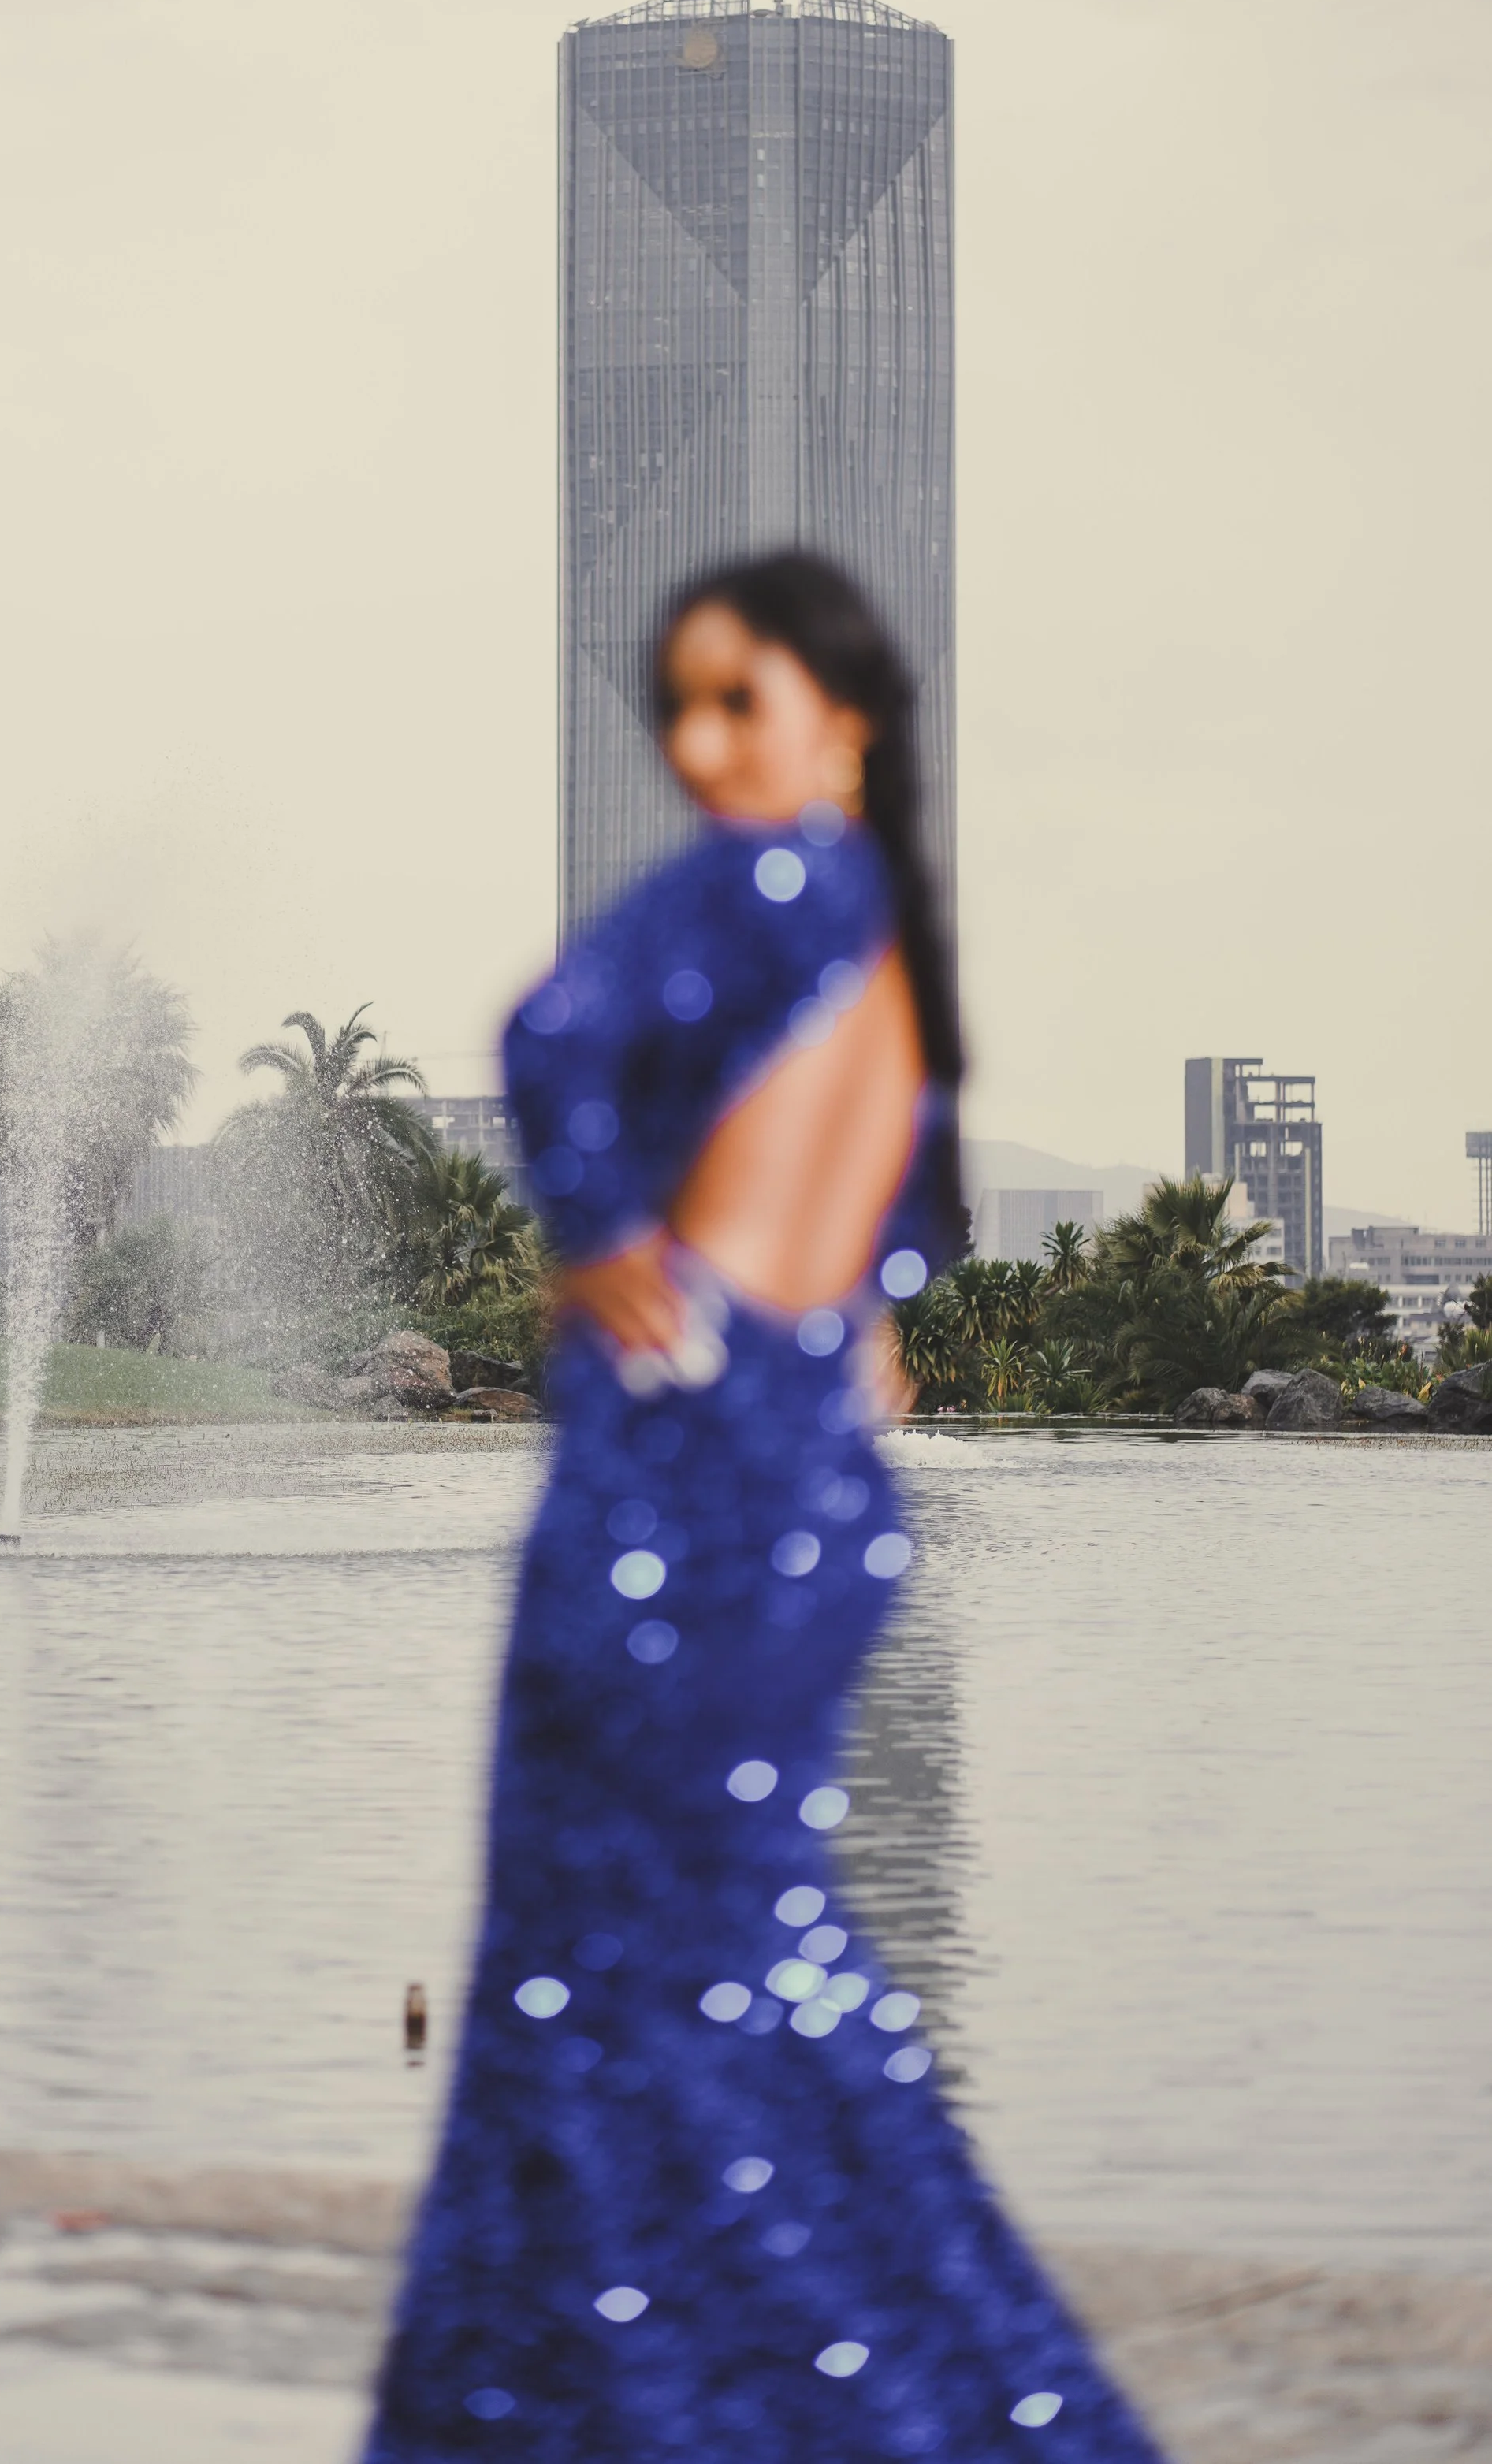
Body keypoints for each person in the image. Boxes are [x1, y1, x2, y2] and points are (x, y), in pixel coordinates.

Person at [363, 552, 1167, 2462]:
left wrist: (598, 1236)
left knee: (600, 1971)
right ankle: (910, 2393)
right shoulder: (880, 923)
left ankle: (622, 2406)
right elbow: (889, 1210)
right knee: (742, 1954)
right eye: (682, 706)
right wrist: (851, 1325)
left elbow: (550, 1029)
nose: (702, 742)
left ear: (846, 718)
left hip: (676, 1489)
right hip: (804, 1494)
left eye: (745, 698)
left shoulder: (782, 876)